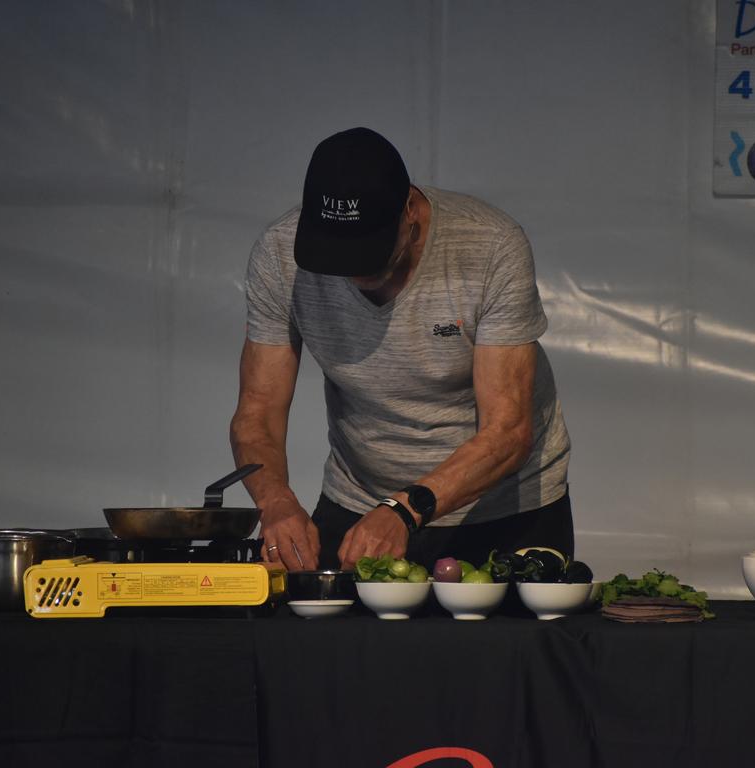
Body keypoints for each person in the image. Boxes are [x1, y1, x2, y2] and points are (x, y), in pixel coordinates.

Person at [230, 127, 571, 573]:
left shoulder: (489, 246)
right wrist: (275, 502)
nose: (354, 273)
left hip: (503, 511)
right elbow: (258, 410)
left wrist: (404, 510)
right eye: (338, 256)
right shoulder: (278, 255)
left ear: (409, 209)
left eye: (370, 250)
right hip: (360, 505)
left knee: (508, 645)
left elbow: (508, 433)